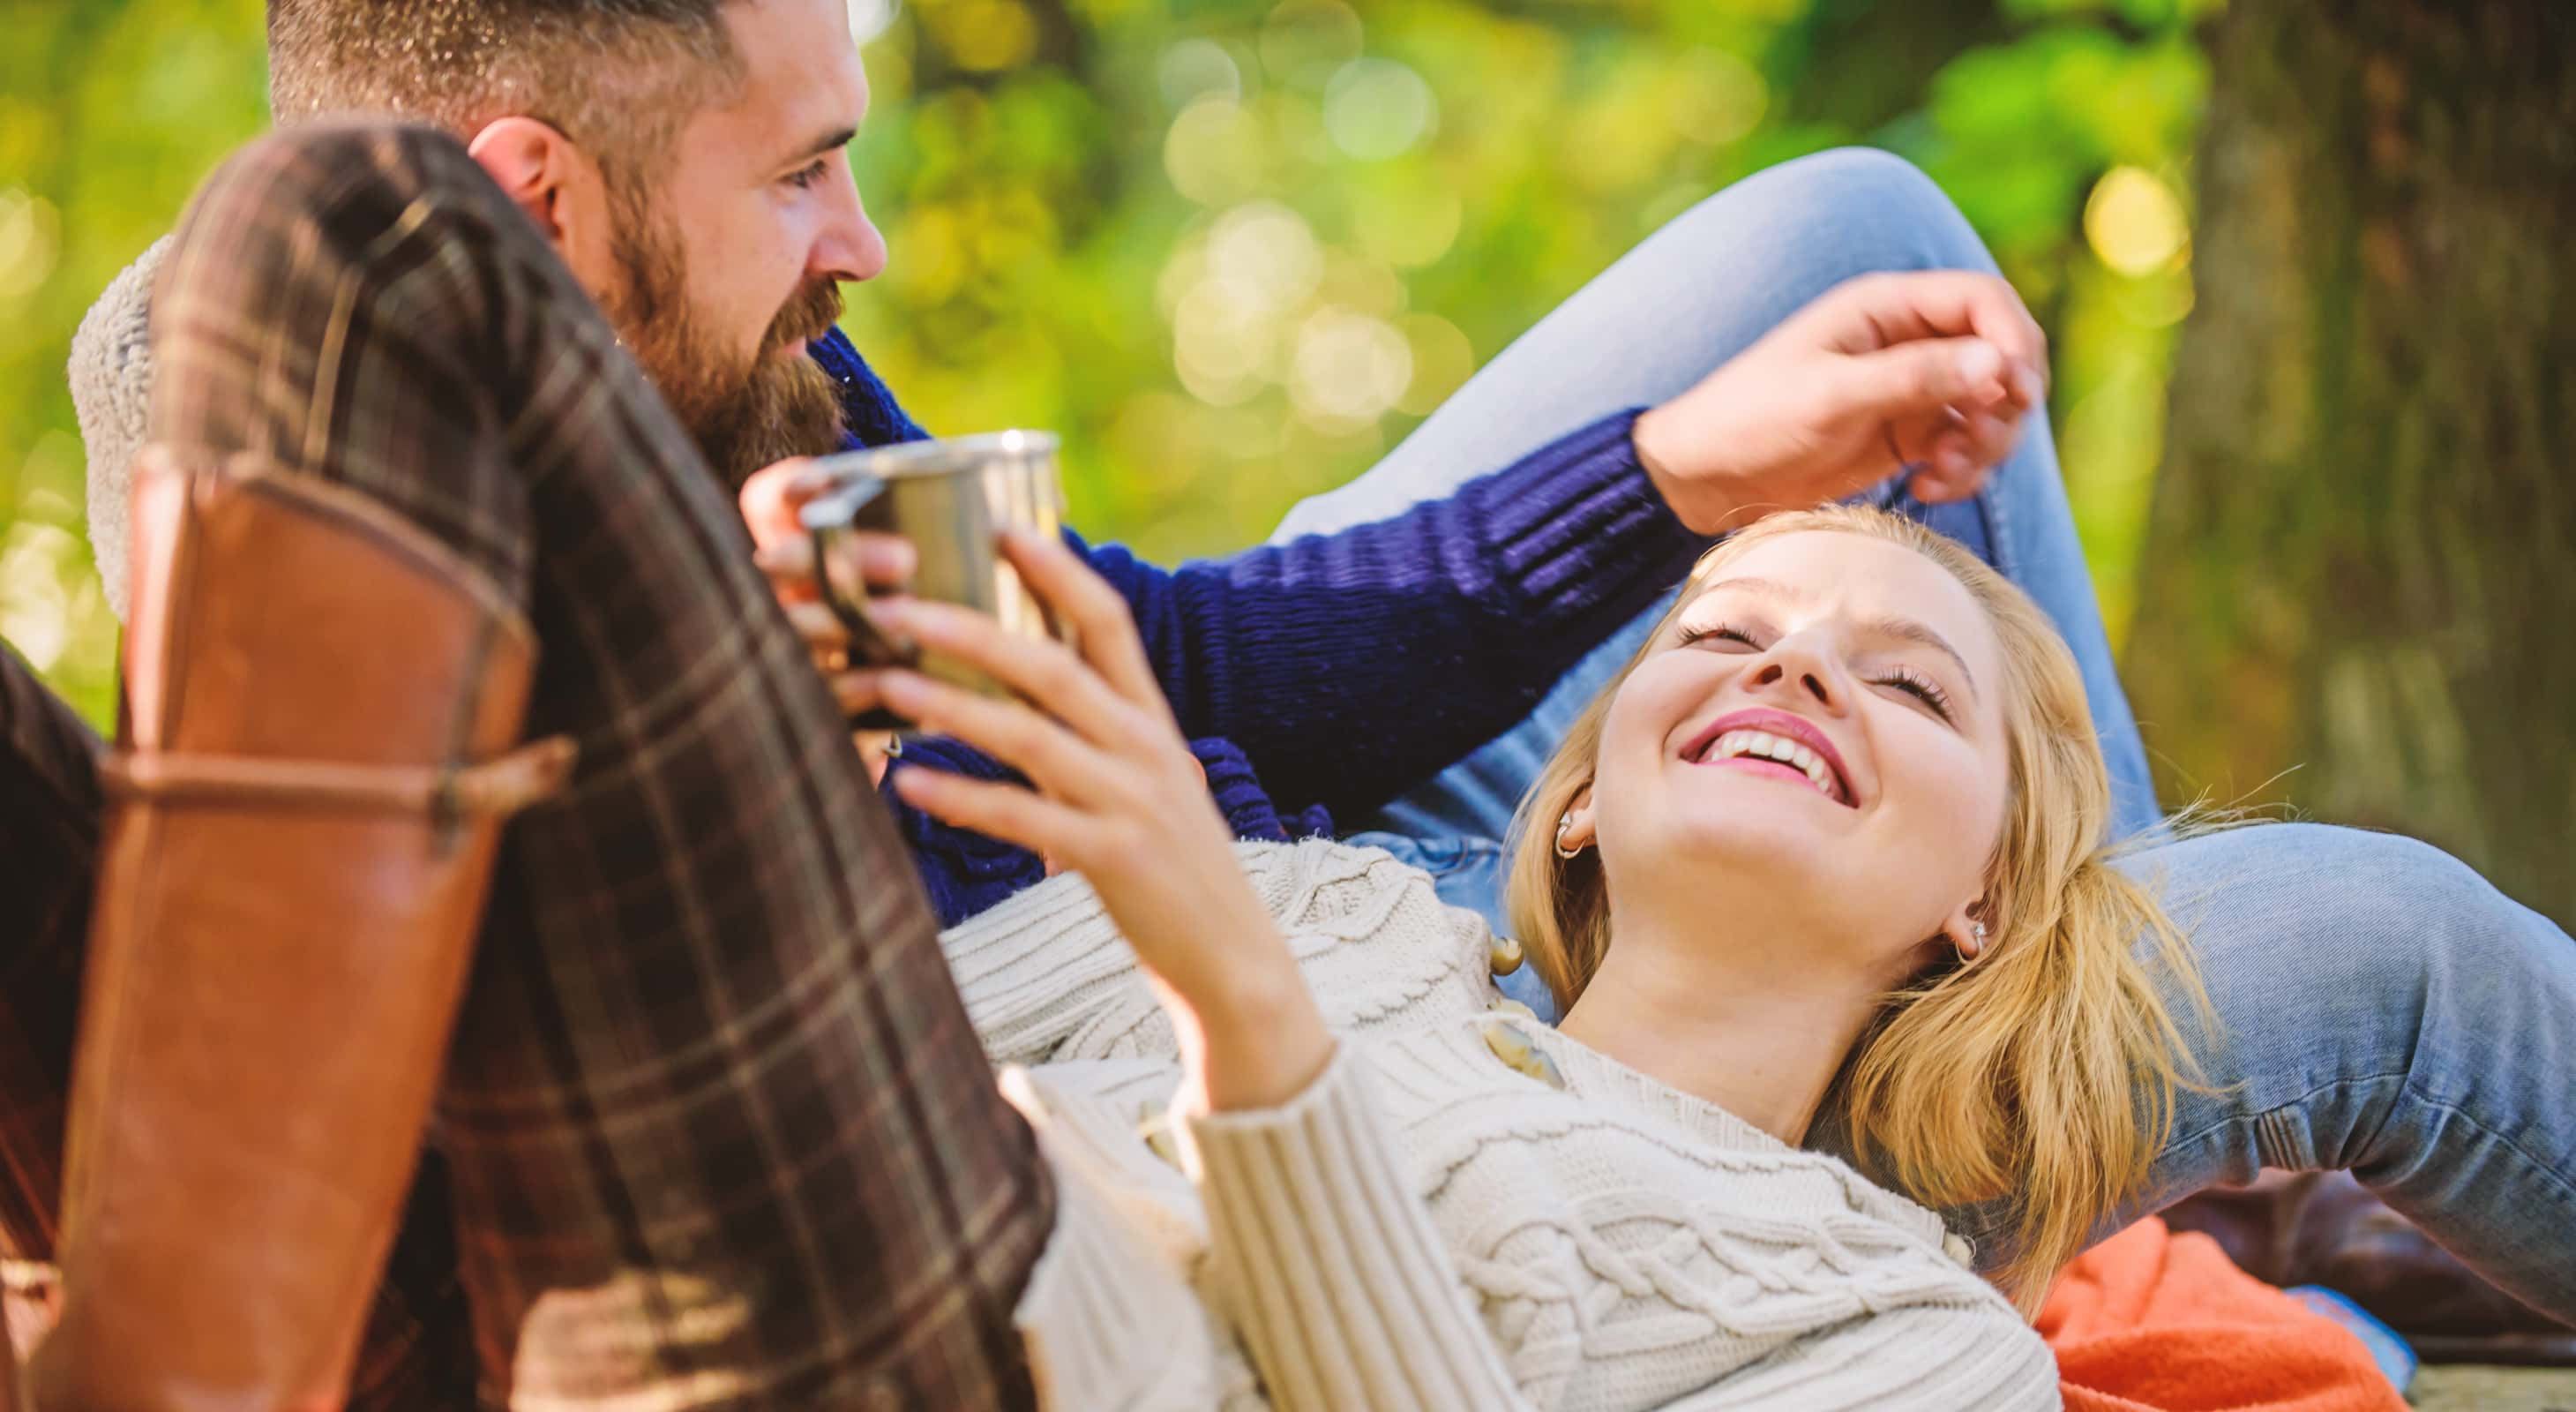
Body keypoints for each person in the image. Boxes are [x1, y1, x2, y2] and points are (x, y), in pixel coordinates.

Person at [4, 0, 2564, 1396]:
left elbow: (1210, 700)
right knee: (219, 301)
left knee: (1865, 253)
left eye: (1887, 674)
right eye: (806, 174)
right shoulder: (510, 439)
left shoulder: (772, 364)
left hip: (1202, 1056)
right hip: (1175, 1027)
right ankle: (2029, 1054)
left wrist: (1673, 497)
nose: (866, 239)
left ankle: (2016, 1016)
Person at [798, 499, 2198, 1409]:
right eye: (1723, 634)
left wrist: (1248, 1026)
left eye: (1907, 684)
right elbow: (810, 1070)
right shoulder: (1321, 910)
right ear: (1581, 795)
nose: (1797, 669)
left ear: (1989, 896)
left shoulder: (1922, 1344)